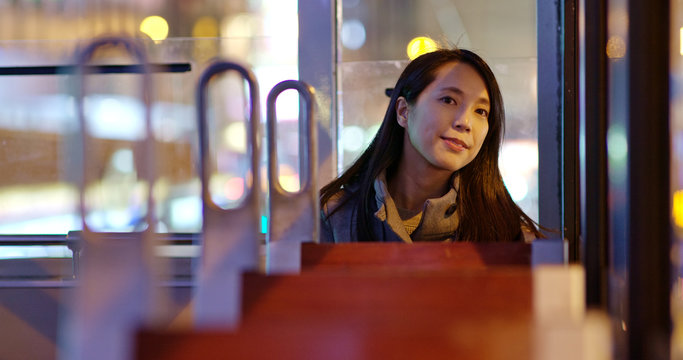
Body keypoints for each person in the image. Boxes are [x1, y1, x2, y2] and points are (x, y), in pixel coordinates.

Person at [319, 48, 543, 243]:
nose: (464, 122)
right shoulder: (335, 216)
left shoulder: (507, 234)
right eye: (448, 100)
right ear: (403, 111)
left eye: (481, 111)